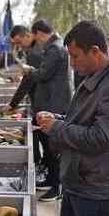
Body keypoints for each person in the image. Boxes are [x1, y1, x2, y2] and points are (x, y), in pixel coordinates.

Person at [38, 21, 109, 216]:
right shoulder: (95, 77)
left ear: (95, 51)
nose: (72, 64)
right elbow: (83, 120)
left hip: (97, 188)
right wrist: (56, 119)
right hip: (80, 181)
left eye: (75, 57)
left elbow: (100, 138)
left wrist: (56, 128)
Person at [21, 19, 74, 201]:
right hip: (52, 101)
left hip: (54, 103)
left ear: (40, 33)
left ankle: (57, 186)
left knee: (53, 147)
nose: (38, 41)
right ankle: (51, 180)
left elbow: (43, 74)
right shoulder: (55, 47)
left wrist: (29, 71)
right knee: (49, 146)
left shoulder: (54, 49)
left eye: (36, 36)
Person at [3, 25, 47, 181]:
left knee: (44, 138)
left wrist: (13, 103)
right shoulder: (36, 50)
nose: (19, 46)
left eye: (19, 42)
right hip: (42, 99)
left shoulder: (35, 54)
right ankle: (45, 169)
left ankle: (46, 173)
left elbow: (28, 81)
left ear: (27, 35)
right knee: (43, 137)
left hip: (43, 100)